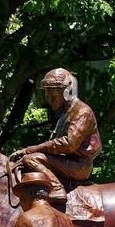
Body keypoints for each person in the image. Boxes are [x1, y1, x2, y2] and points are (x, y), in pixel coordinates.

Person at [9, 67, 102, 205]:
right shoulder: (65, 113)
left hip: (78, 165)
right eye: (47, 92)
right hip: (67, 162)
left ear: (66, 92)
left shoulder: (82, 111)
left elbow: (68, 144)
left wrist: (33, 149)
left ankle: (57, 189)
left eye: (51, 92)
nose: (48, 97)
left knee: (30, 159)